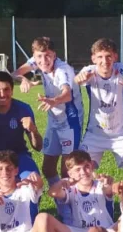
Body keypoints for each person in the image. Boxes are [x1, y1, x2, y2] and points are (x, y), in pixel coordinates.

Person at [26, 150, 117, 232]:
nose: (83, 172)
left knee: (122, 222)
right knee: (44, 218)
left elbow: (110, 190)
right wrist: (63, 182)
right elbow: (52, 192)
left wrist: (109, 184)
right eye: (78, 170)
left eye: (86, 167)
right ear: (70, 174)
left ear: (92, 166)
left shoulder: (101, 185)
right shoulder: (70, 189)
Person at [75, 38, 123, 190]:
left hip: (121, 134)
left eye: (108, 56)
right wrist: (79, 79)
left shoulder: (121, 69)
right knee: (78, 173)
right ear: (93, 58)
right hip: (94, 135)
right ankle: (101, 194)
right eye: (100, 57)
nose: (104, 61)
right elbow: (77, 79)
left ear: (115, 57)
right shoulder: (89, 71)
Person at [14, 37, 83, 186]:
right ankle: (63, 205)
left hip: (70, 123)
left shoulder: (62, 70)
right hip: (54, 122)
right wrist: (23, 79)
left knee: (68, 170)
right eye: (39, 56)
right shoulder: (37, 59)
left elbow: (67, 94)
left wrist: (54, 100)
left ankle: (76, 204)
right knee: (48, 169)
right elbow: (16, 73)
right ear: (34, 55)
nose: (44, 60)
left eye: (48, 56)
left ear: (54, 55)